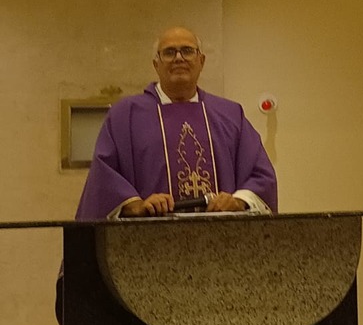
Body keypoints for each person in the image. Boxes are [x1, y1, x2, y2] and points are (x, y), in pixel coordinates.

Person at [76, 26, 277, 220]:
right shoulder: (125, 115)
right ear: (156, 64)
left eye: (187, 51)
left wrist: (238, 201)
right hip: (149, 236)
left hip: (222, 235)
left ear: (201, 61)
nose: (179, 58)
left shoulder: (230, 115)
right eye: (169, 52)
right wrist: (136, 205)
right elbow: (104, 178)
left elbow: (261, 175)